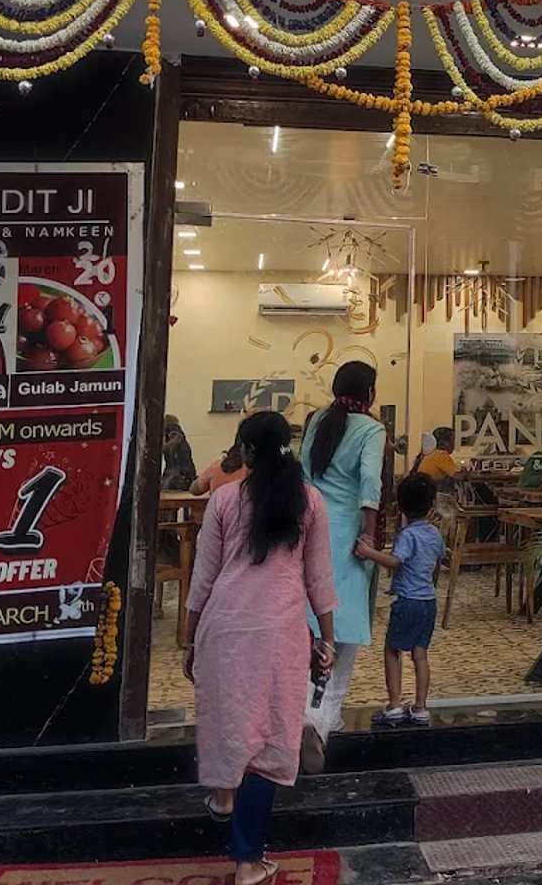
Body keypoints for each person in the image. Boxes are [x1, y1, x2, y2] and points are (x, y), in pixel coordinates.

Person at [184, 411, 337, 885]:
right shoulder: (309, 501)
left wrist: (189, 638)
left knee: (231, 721)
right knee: (269, 738)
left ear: (246, 452)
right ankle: (248, 861)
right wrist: (327, 639)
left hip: (225, 629)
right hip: (280, 635)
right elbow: (319, 578)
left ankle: (224, 796)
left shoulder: (224, 500)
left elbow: (203, 577)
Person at [297, 361, 388, 768]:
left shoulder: (316, 419)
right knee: (343, 634)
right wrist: (368, 534)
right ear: (369, 393)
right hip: (347, 536)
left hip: (309, 530)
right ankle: (320, 723)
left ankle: (297, 716)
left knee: (309, 628)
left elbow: (302, 475)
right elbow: (371, 481)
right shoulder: (372, 429)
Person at [358, 472, 446, 728]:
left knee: (392, 650)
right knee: (421, 655)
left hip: (407, 601)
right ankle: (420, 707)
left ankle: (395, 704)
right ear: (431, 506)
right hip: (429, 602)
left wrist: (369, 552)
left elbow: (396, 561)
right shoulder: (435, 534)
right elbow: (439, 558)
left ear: (401, 506)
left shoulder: (407, 536)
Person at [161, 414, 197, 493]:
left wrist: (161, 449)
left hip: (180, 472)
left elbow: (178, 438)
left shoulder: (172, 427)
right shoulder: (169, 433)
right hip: (182, 471)